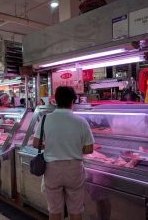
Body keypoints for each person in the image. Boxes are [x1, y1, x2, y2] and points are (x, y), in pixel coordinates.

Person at [33, 86, 94, 220]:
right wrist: (74, 148)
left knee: (55, 211)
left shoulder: (45, 119)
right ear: (73, 101)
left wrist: (50, 145)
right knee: (76, 210)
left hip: (52, 169)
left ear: (55, 101)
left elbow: (36, 143)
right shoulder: (82, 122)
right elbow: (89, 148)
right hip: (74, 170)